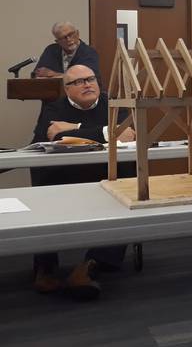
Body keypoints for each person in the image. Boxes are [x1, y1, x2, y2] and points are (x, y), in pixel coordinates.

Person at [30, 65, 136, 299]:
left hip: (106, 175)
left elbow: (128, 134)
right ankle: (45, 268)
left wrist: (74, 129)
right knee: (43, 198)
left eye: (90, 79)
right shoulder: (54, 107)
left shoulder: (113, 104)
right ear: (66, 89)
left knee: (123, 201)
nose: (87, 84)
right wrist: (106, 132)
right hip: (64, 176)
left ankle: (90, 266)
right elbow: (46, 136)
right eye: (78, 82)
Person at [33, 21, 101, 83]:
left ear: (77, 33)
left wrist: (54, 74)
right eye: (63, 37)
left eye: (71, 34)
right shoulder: (51, 50)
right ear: (58, 42)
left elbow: (85, 78)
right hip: (54, 94)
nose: (69, 39)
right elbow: (37, 75)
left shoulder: (89, 52)